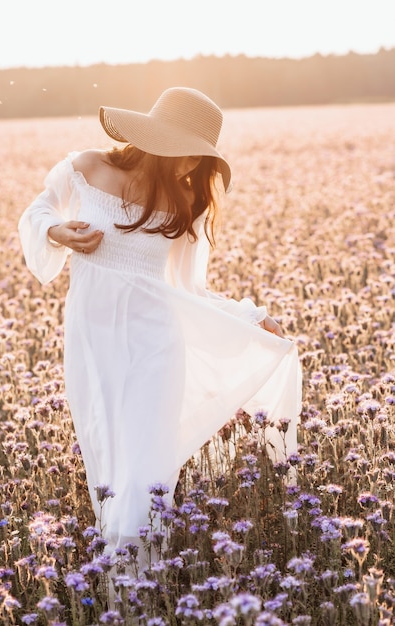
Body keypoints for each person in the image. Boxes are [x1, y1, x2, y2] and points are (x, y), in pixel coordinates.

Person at [18, 87, 301, 572]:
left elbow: (191, 290)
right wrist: (58, 232)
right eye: (187, 151)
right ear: (155, 139)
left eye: (201, 156)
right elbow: (38, 212)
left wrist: (251, 318)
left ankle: (135, 581)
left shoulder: (186, 202)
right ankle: (124, 572)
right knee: (107, 450)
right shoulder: (86, 167)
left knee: (147, 464)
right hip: (94, 342)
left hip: (157, 345)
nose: (192, 165)